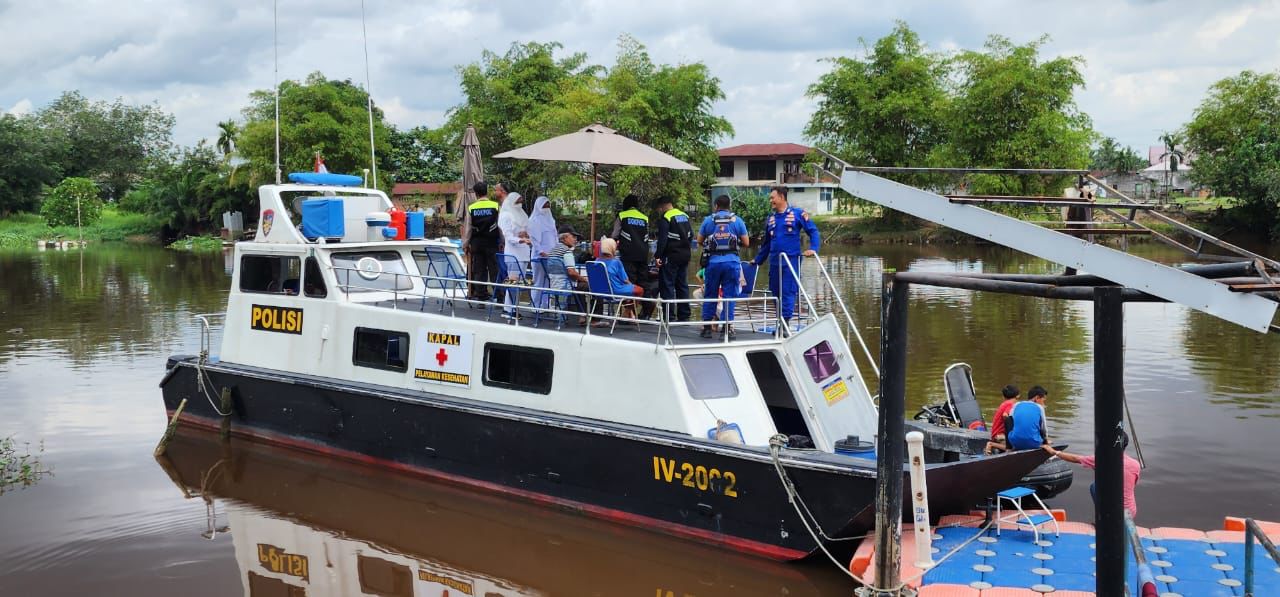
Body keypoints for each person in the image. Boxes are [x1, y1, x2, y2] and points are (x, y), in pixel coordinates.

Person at [752, 186, 819, 324]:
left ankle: (785, 322)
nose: (771, 200)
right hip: (775, 262)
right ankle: (780, 321)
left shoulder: (797, 214)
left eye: (772, 197)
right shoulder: (771, 219)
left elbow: (813, 231)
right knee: (775, 292)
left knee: (788, 291)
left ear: (781, 197)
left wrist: (813, 248)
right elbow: (766, 244)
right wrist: (757, 260)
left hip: (791, 261)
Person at [1044, 430, 1141, 520]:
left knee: (1094, 487)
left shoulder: (1101, 459)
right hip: (1131, 511)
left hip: (1113, 512)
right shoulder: (1135, 464)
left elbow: (1076, 458)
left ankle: (1103, 518)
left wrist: (1054, 452)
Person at [697, 194, 750, 339]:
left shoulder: (708, 220)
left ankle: (707, 328)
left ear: (716, 206)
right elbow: (746, 242)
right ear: (729, 206)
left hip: (713, 263)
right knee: (729, 296)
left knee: (710, 295)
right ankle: (726, 329)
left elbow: (699, 240)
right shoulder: (737, 220)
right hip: (732, 262)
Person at [654, 196, 693, 323]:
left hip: (671, 256)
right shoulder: (684, 215)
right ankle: (684, 315)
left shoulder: (666, 218)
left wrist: (658, 256)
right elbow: (691, 235)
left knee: (668, 285)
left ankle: (669, 316)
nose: (660, 211)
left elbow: (663, 240)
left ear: (662, 206)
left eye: (659, 208)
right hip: (685, 255)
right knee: (682, 285)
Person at [598, 237, 656, 322]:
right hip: (615, 291)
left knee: (630, 295)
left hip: (600, 291)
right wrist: (631, 286)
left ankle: (630, 314)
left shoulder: (597, 261)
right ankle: (627, 311)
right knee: (639, 290)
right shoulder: (616, 263)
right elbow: (625, 280)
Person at [465, 182, 502, 301]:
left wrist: (465, 244)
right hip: (492, 242)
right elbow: (500, 226)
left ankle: (481, 296)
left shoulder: (471, 207)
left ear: (476, 194)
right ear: (487, 191)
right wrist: (503, 242)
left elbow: (468, 228)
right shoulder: (495, 206)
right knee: (495, 270)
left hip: (477, 243)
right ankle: (500, 296)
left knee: (479, 270)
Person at [497, 187, 530, 318]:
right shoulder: (506, 215)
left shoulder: (521, 214)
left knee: (518, 283)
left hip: (523, 253)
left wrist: (525, 234)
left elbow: (527, 229)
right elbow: (508, 237)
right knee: (513, 282)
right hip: (513, 254)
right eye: (518, 202)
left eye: (521, 201)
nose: (519, 204)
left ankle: (511, 308)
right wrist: (521, 239)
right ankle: (508, 310)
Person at [611, 194, 651, 288]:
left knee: (629, 281)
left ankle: (630, 302)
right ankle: (645, 301)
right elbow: (647, 235)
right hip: (643, 254)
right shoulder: (644, 217)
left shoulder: (622, 215)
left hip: (628, 254)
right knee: (643, 281)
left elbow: (614, 235)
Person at [527, 196, 558, 308]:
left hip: (551, 256)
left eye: (548, 206)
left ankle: (545, 305)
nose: (546, 208)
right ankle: (536, 306)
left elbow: (555, 237)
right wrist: (541, 252)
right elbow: (534, 240)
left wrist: (556, 251)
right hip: (539, 257)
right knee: (539, 281)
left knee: (547, 281)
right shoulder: (534, 221)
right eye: (544, 206)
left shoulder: (551, 220)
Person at [1006, 385, 1050, 450]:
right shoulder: (1039, 407)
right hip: (1034, 444)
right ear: (1037, 398)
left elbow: (1010, 422)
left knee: (1008, 419)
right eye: (1043, 400)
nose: (1043, 403)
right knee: (1040, 424)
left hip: (1014, 442)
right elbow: (1044, 429)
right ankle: (1044, 444)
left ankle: (1008, 448)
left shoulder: (1017, 404)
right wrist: (1046, 441)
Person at [984, 384, 1021, 455]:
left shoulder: (1005, 403)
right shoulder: (1011, 404)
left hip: (996, 433)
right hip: (999, 435)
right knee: (1015, 447)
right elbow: (1005, 415)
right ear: (1018, 395)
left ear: (1004, 396)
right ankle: (991, 444)